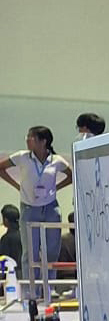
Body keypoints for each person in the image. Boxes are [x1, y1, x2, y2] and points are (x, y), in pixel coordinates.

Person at [0, 126, 72, 306]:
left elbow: (71, 175)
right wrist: (17, 186)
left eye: (31, 137)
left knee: (51, 252)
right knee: (29, 253)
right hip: (29, 208)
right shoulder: (22, 157)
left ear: (43, 141)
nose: (27, 139)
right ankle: (31, 292)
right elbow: (1, 168)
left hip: (50, 208)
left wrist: (56, 188)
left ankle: (49, 289)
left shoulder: (56, 160)